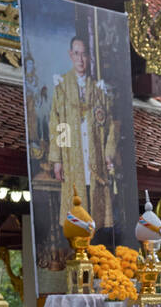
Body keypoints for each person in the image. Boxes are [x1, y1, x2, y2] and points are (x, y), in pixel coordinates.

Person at [48, 34, 119, 236]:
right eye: (76, 54)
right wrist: (58, 159)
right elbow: (58, 124)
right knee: (75, 204)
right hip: (72, 159)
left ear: (89, 58)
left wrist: (108, 153)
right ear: (70, 55)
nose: (80, 59)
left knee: (96, 208)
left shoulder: (98, 90)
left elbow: (109, 126)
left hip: (95, 159)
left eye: (84, 55)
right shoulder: (61, 87)